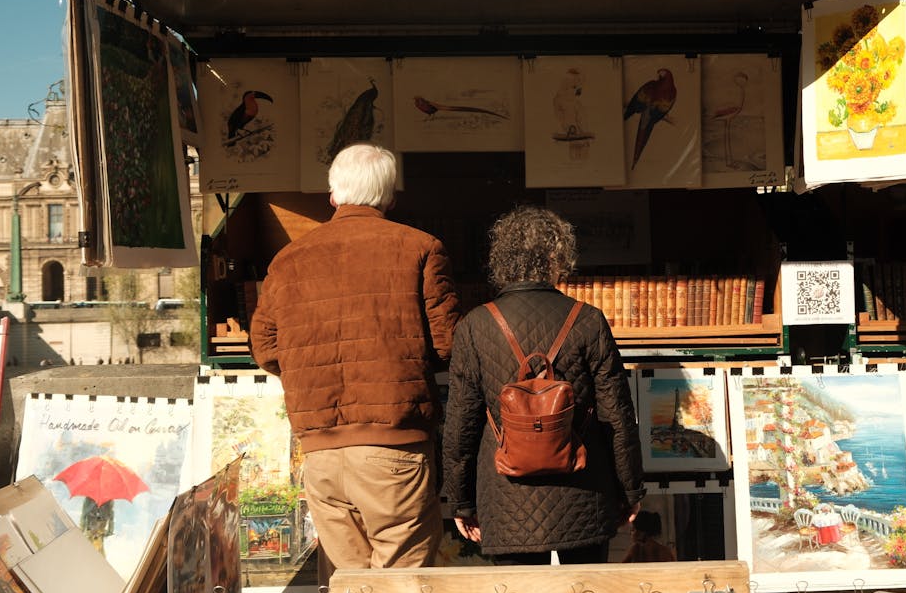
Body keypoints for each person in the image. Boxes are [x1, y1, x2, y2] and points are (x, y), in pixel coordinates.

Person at [251, 142, 460, 570]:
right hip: (394, 447)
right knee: (404, 587)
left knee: (350, 591)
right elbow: (448, 344)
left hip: (320, 452)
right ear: (389, 197)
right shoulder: (420, 248)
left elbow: (267, 349)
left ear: (333, 196)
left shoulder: (288, 260)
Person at [442, 206, 645, 565]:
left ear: (502, 258)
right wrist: (629, 489)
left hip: (506, 500)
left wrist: (461, 501)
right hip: (583, 494)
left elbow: (462, 423)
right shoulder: (588, 320)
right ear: (557, 257)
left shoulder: (476, 325)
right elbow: (617, 417)